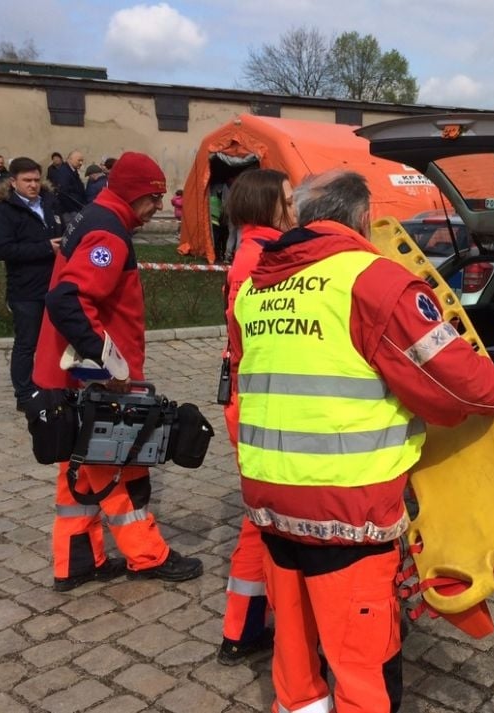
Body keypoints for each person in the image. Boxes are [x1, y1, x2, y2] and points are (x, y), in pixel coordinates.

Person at [228, 170, 494, 712]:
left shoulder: (256, 287)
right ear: (364, 219)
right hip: (348, 512)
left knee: (296, 662)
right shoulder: (374, 281)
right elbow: (449, 378)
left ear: (301, 218)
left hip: (269, 501)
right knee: (364, 666)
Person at [32, 151, 204, 591]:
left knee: (79, 470)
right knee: (120, 466)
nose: (157, 209)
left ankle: (77, 561)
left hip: (69, 374)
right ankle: (147, 556)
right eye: (153, 198)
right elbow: (68, 299)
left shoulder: (94, 218)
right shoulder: (109, 233)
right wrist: (107, 364)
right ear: (134, 194)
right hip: (97, 379)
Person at [216, 169, 297, 666]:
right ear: (268, 205)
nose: (295, 208)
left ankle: (242, 627)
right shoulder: (264, 260)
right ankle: (246, 628)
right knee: (265, 522)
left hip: (248, 400)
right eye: (288, 200)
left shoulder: (249, 251)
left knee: (259, 520)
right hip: (260, 403)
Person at [0, 157, 63, 411]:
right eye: (27, 180)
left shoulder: (49, 203)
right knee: (26, 343)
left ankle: (51, 384)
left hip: (54, 284)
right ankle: (24, 393)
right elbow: (2, 249)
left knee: (53, 340)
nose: (33, 185)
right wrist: (45, 248)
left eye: (36, 179)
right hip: (25, 289)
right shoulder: (4, 211)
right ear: (13, 181)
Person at [53, 149, 87, 223]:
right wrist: (75, 209)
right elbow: (64, 194)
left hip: (76, 208)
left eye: (82, 161)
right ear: (70, 159)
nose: (81, 163)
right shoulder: (64, 172)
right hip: (70, 211)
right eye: (79, 160)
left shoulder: (72, 170)